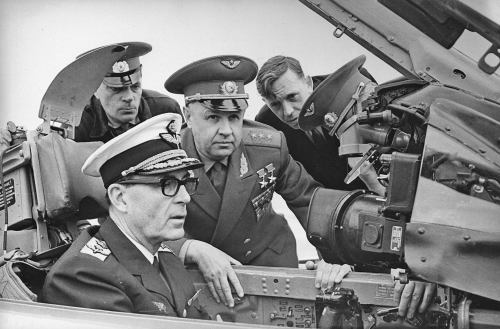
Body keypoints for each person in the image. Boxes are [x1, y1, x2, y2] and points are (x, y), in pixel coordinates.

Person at [164, 55, 352, 308]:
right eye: (213, 118)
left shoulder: (267, 147)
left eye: (234, 117)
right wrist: (189, 248)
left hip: (269, 260)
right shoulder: (165, 159)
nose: (227, 131)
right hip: (201, 271)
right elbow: (134, 224)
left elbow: (312, 203)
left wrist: (339, 257)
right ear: (187, 114)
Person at [40, 113, 209, 319]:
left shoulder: (161, 253)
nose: (185, 198)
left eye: (184, 183)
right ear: (120, 198)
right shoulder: (83, 276)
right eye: (168, 184)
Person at [255, 55, 384, 195]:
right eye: (275, 104)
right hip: (330, 203)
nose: (288, 112)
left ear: (308, 84)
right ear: (265, 101)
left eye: (292, 97)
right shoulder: (266, 122)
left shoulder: (353, 84)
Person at [74, 42, 182, 143]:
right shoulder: (79, 123)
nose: (129, 97)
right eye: (116, 89)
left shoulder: (166, 111)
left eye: (135, 87)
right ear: (95, 90)